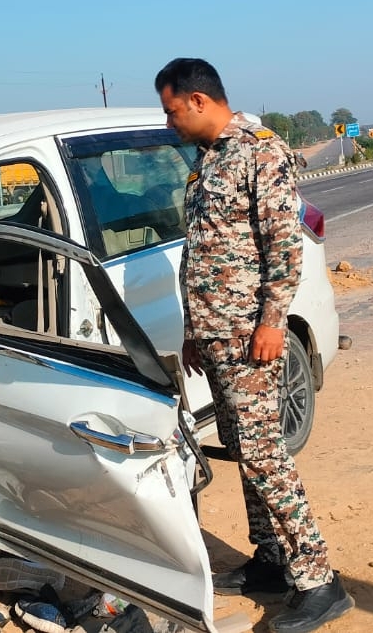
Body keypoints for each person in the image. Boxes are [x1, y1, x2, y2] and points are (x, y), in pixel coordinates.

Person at [154, 58, 353, 633]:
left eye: (171, 111)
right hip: (216, 333)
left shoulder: (259, 151)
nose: (169, 123)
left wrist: (272, 322)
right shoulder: (208, 158)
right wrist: (194, 328)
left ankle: (319, 580)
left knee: (267, 457)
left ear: (196, 100)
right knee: (244, 448)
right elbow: (205, 249)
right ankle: (270, 558)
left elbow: (283, 247)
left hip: (249, 336)